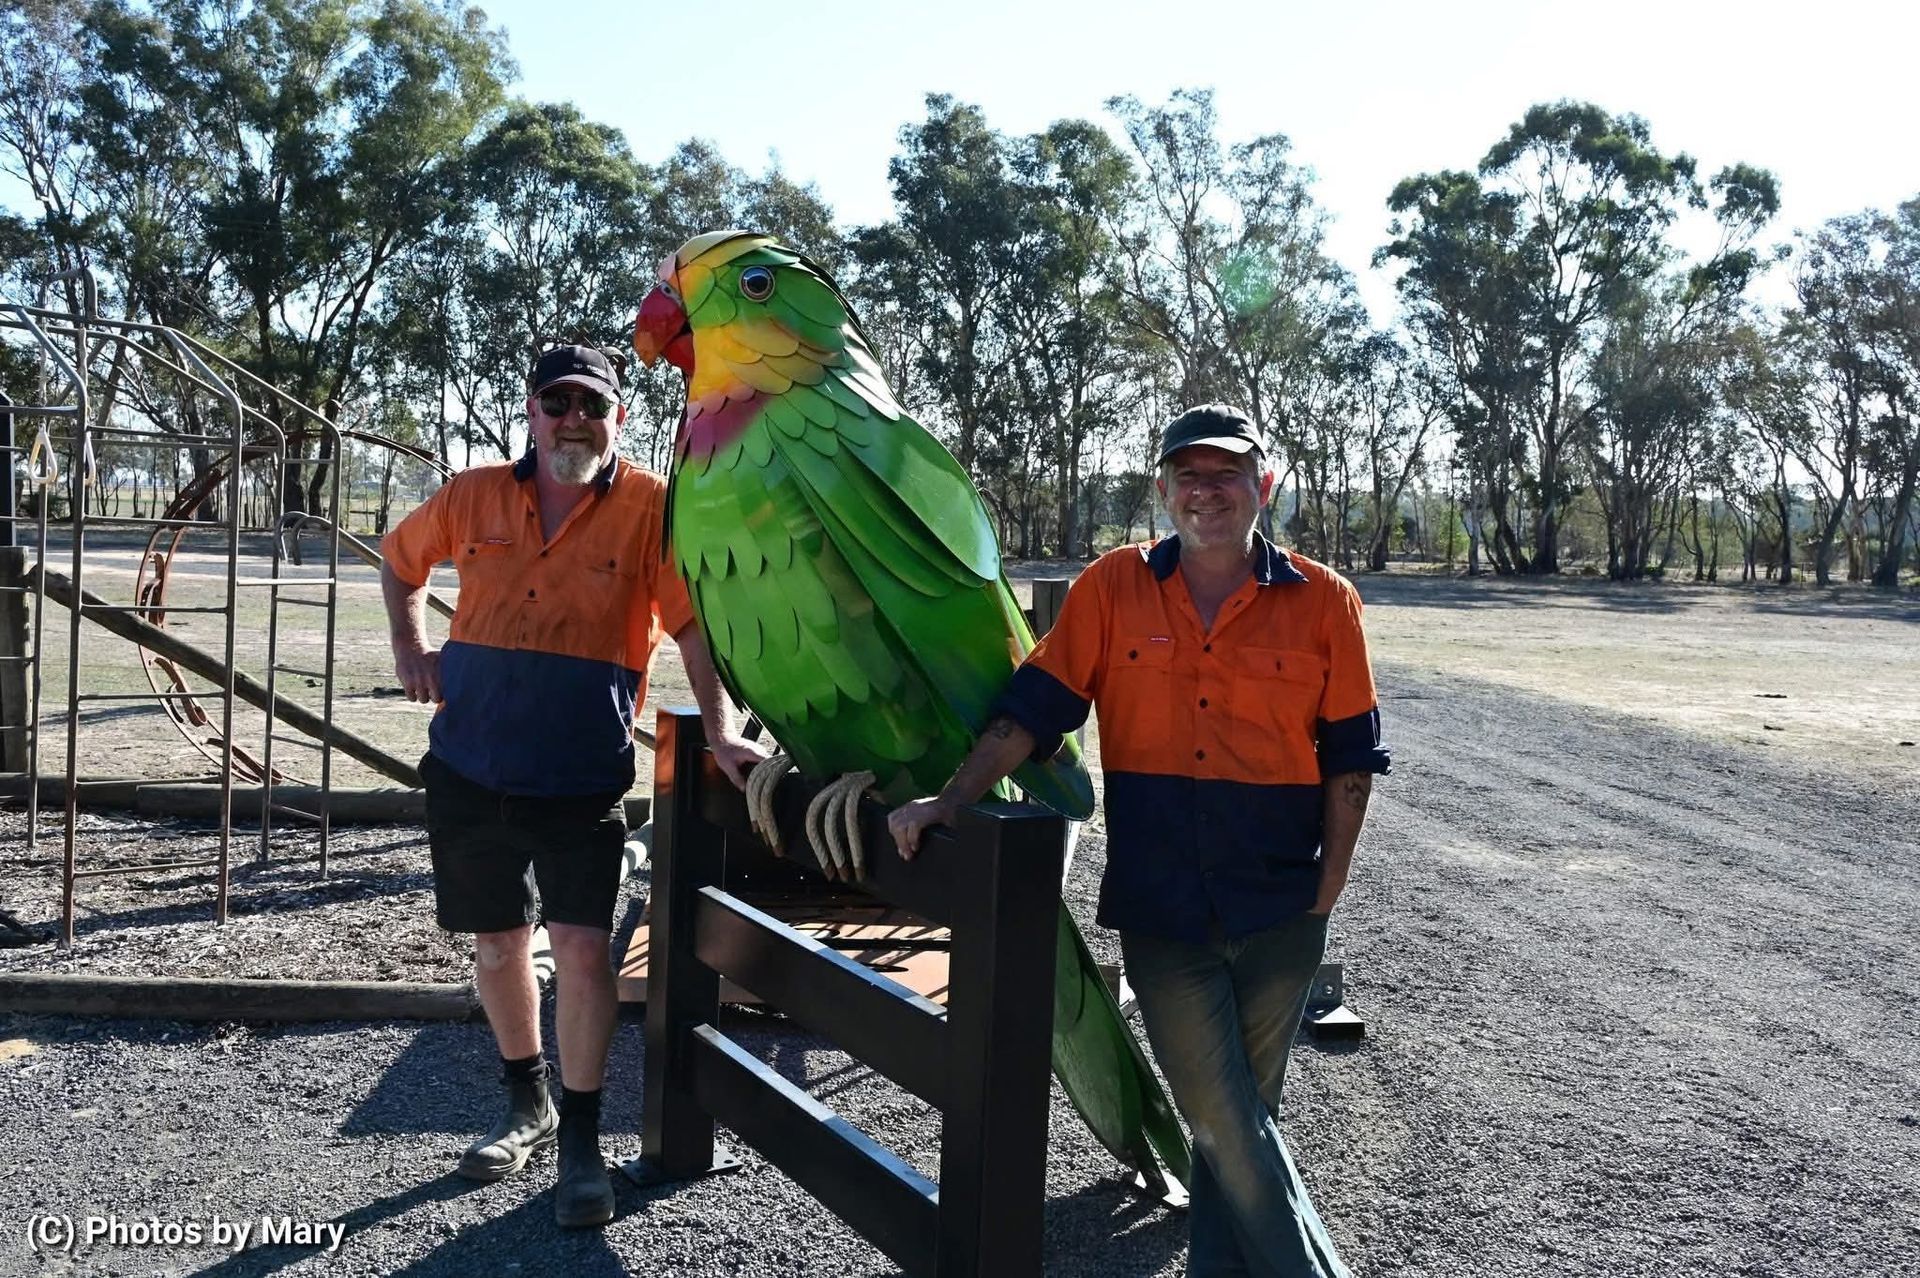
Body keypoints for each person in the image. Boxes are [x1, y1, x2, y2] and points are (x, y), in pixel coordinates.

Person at [887, 404, 1389, 1277]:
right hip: (1165, 913)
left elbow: (1351, 763)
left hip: (1281, 910)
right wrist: (952, 798)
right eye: (1188, 476)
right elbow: (1032, 714)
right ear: (1163, 491)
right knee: (1229, 1120)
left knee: (1234, 1124)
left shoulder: (1324, 603)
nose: (1208, 492)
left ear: (1261, 487)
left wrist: (1326, 895)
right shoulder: (1112, 588)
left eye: (1227, 473)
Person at [381, 343, 763, 1229]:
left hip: (581, 778)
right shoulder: (473, 493)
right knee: (496, 948)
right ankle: (527, 1104)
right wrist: (408, 649)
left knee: (585, 952)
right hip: (469, 769)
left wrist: (721, 726)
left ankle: (581, 1138)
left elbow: (695, 626)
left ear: (617, 418)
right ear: (530, 410)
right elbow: (401, 565)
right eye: (557, 402)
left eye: (592, 404)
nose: (573, 419)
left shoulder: (653, 510)